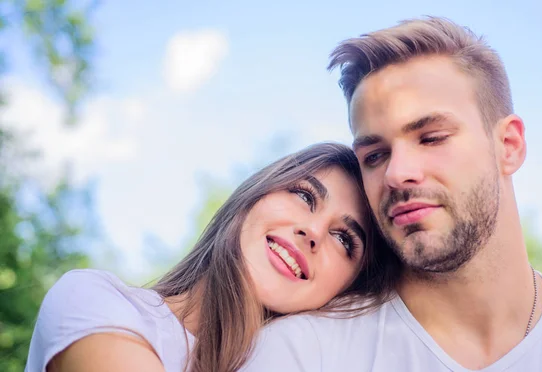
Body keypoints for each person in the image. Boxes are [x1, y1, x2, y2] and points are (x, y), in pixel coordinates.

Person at [240, 16, 542, 372]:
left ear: (508, 145)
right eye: (375, 156)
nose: (396, 174)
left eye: (431, 138)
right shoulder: (302, 353)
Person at [25, 143, 397, 372]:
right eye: (304, 196)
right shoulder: (93, 300)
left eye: (344, 239)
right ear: (254, 195)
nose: (313, 232)